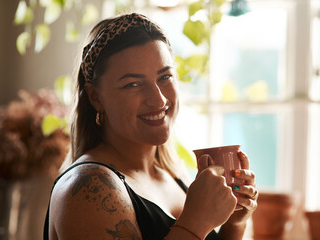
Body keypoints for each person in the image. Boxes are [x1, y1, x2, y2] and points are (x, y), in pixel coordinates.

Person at [44, 12, 258, 240]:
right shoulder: (86, 188)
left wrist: (235, 224)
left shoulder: (175, 176)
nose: (158, 100)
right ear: (95, 97)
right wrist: (197, 221)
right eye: (133, 84)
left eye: (165, 77)